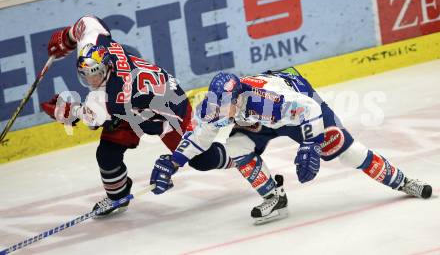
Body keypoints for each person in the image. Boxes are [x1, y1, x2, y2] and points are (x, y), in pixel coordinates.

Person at [149, 67, 433, 224]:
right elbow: (198, 138)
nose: (224, 111)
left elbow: (310, 110)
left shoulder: (267, 99)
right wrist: (173, 163)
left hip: (302, 113)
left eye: (229, 105)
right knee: (238, 150)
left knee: (347, 152)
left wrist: (310, 144)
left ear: (240, 97)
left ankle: (403, 181)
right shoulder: (214, 107)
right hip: (259, 125)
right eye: (220, 106)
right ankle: (275, 197)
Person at [40, 15, 194, 217]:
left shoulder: (109, 99)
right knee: (106, 154)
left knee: (201, 159)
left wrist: (66, 112)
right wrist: (68, 38)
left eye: (95, 74)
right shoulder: (93, 43)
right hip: (132, 109)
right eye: (85, 76)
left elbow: (89, 118)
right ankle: (117, 198)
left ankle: (239, 155)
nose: (91, 80)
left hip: (168, 111)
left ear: (107, 67)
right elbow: (87, 21)